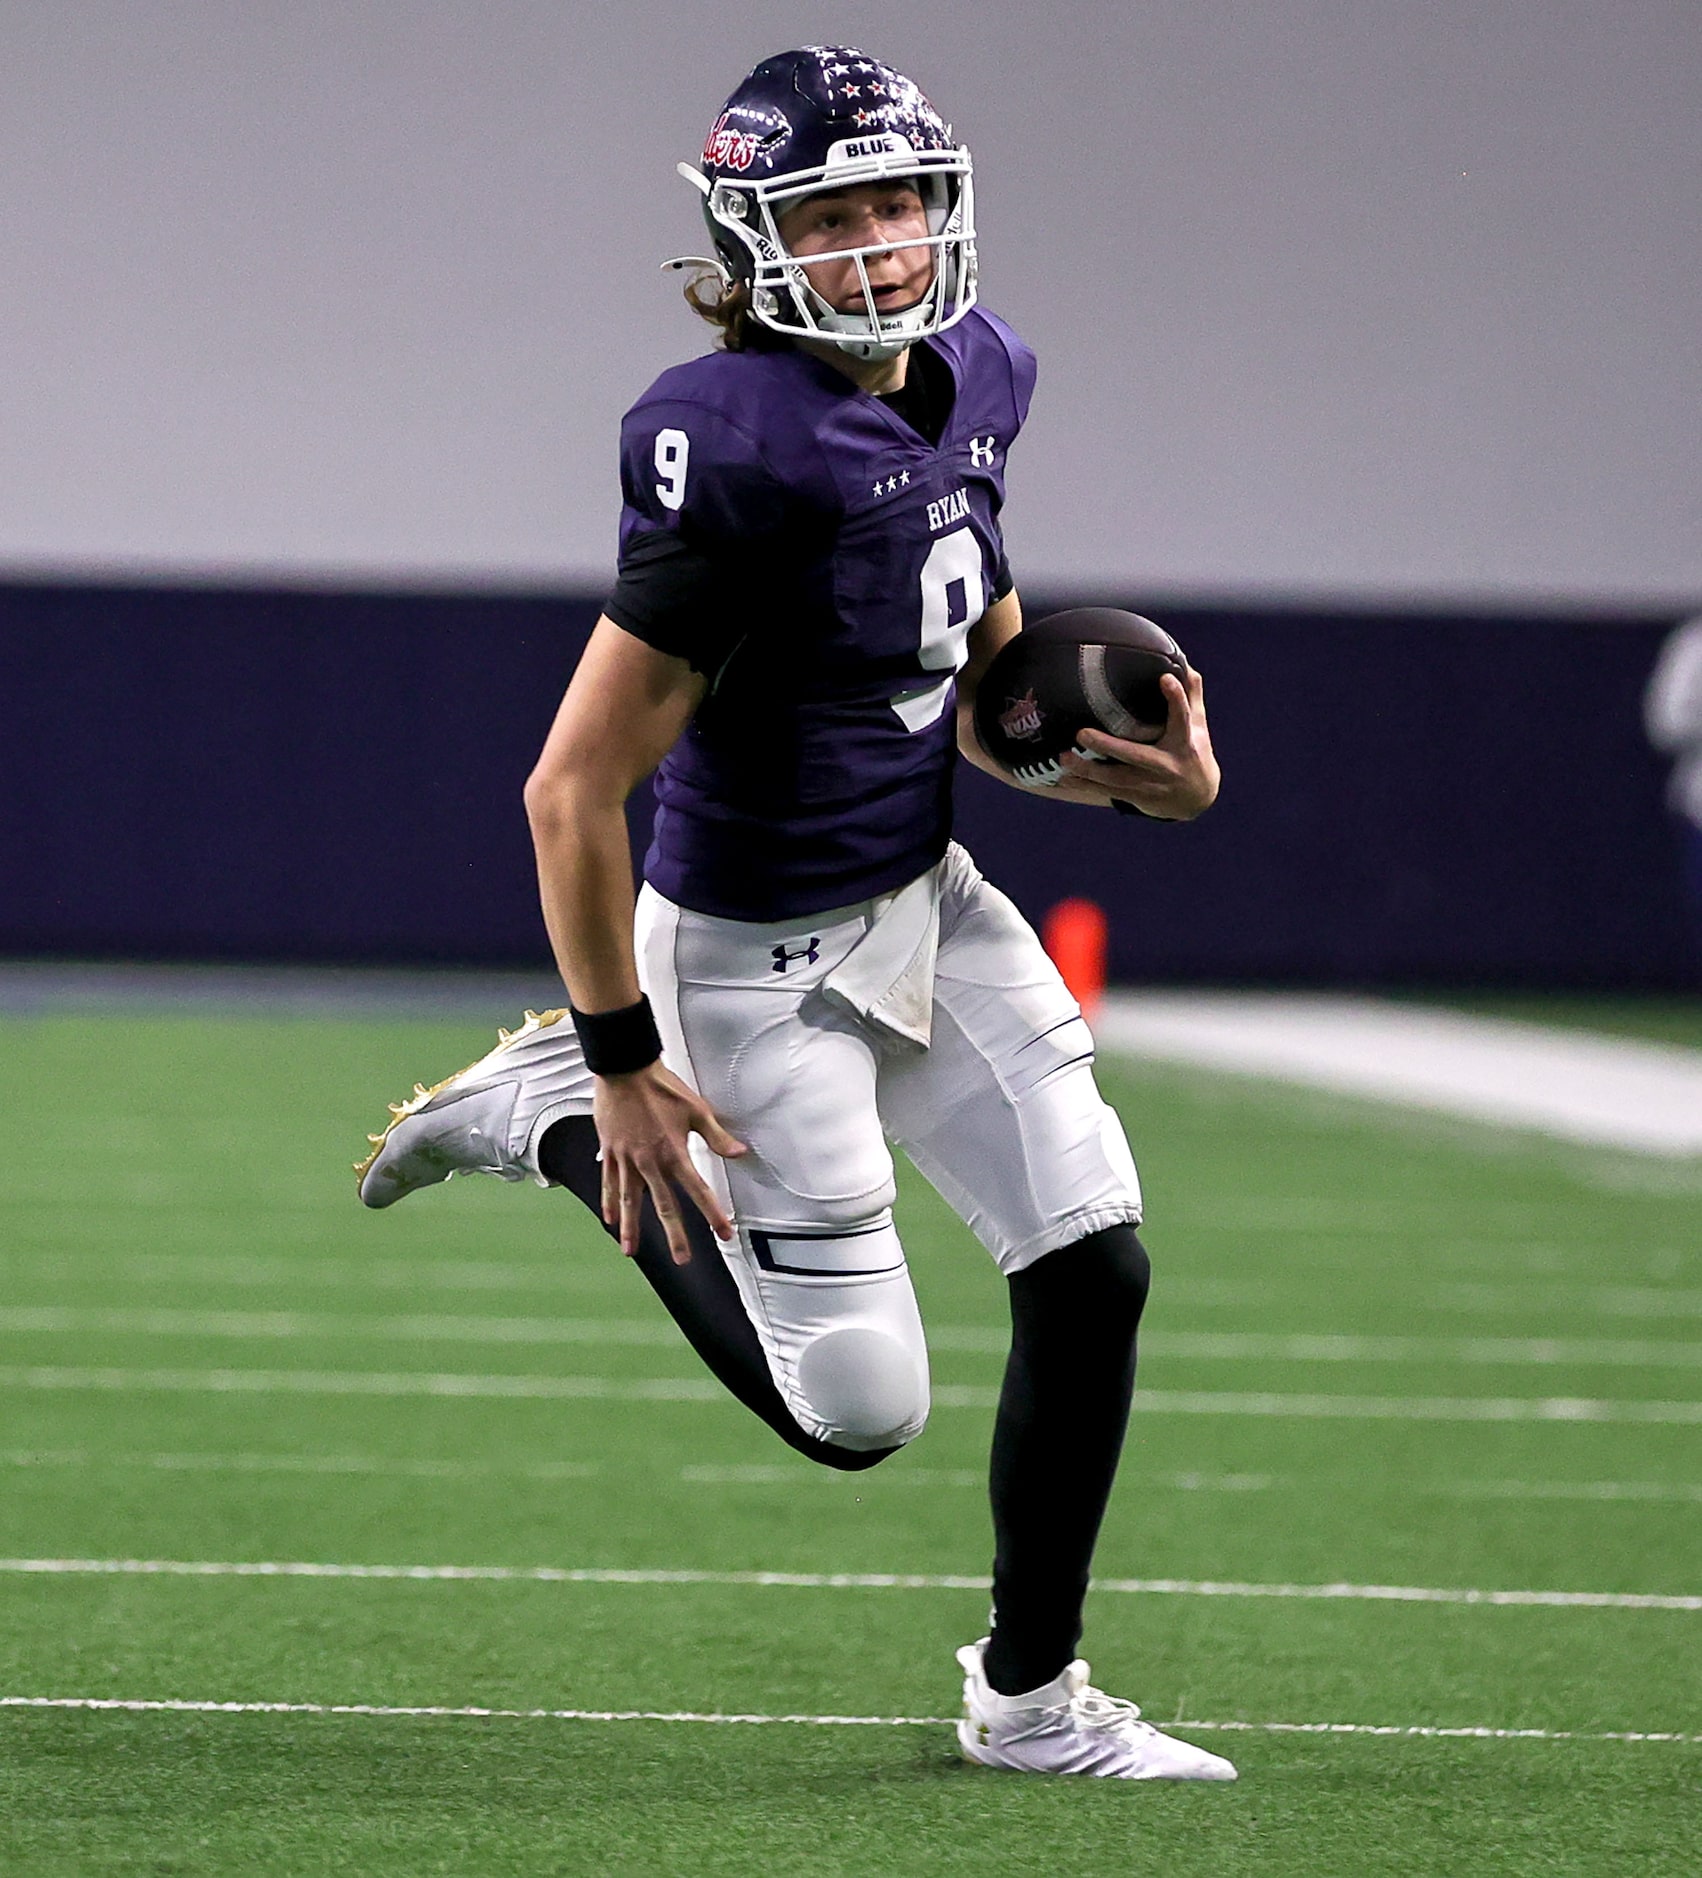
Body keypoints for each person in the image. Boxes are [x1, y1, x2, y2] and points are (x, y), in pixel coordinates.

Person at [357, 45, 1231, 1782]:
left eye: (897, 201)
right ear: (750, 239)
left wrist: (1128, 777)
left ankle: (1030, 1697)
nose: (877, 246)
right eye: (829, 214)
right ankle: (540, 1116)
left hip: (928, 899)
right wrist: (616, 1059)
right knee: (858, 1415)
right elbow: (568, 788)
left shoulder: (983, 369)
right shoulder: (728, 440)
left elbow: (973, 664)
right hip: (743, 954)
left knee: (1097, 1262)